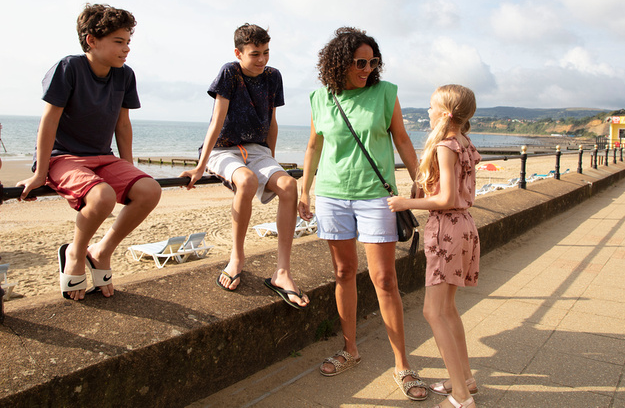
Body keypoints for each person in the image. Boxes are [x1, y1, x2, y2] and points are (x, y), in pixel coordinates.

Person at [298, 27, 428, 401]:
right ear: (339, 62)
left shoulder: (386, 94)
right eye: (360, 62)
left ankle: (403, 364)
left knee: (384, 279)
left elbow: (401, 138)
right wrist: (304, 189)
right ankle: (350, 349)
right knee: (342, 272)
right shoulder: (320, 98)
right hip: (333, 196)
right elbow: (312, 146)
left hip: (375, 196)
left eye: (373, 62)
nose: (367, 69)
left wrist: (418, 177)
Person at [17, 3, 162, 300]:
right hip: (63, 157)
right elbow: (49, 121)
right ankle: (75, 252)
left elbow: (123, 125)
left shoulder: (125, 75)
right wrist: (40, 173)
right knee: (103, 196)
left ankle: (101, 251)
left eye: (128, 42)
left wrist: (130, 168)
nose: (126, 49)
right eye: (118, 42)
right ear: (91, 40)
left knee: (150, 190)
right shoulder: (69, 67)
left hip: (103, 157)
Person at [180, 24, 308, 308]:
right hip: (223, 148)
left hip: (258, 149)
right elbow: (216, 121)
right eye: (254, 54)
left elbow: (272, 122)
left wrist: (272, 160)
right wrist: (200, 168)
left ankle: (282, 272)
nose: (262, 60)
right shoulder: (230, 72)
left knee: (288, 185)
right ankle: (237, 257)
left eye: (266, 53)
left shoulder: (273, 77)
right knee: (247, 181)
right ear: (238, 53)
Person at [388, 84, 481, 408]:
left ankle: (460, 394)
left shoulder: (445, 145)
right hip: (464, 227)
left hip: (447, 229)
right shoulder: (465, 142)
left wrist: (405, 202)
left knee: (432, 312)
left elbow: (446, 199)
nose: (427, 112)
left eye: (431, 107)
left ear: (444, 113)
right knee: (448, 310)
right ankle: (465, 377)